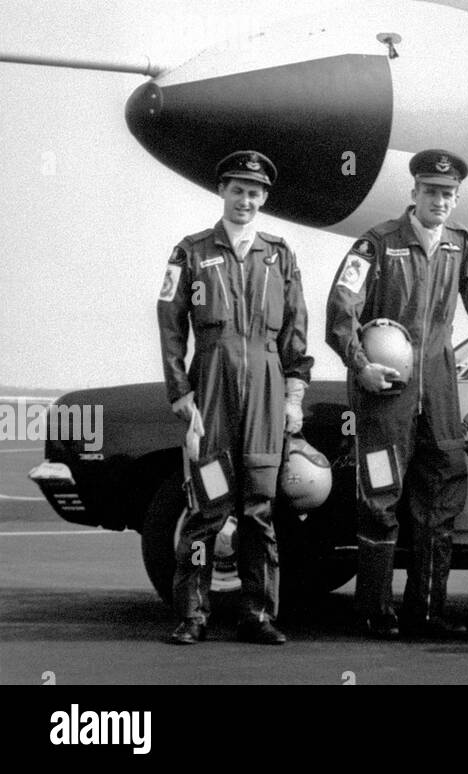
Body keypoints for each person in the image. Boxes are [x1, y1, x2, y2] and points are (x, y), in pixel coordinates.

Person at [325, 149, 468, 640]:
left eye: (448, 194)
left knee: (442, 494)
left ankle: (427, 612)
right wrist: (360, 367)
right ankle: (373, 613)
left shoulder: (460, 246)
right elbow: (341, 311)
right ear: (414, 193)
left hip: (440, 388)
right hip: (387, 392)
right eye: (431, 191)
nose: (440, 201)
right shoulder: (377, 244)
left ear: (456, 199)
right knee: (380, 497)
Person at [157, 150, 313, 646]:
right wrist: (180, 392)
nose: (245, 199)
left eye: (254, 192)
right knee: (206, 508)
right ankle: (192, 615)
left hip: (266, 389)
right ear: (222, 192)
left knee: (259, 510)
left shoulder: (280, 254)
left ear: (264, 197)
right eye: (237, 189)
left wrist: (293, 395)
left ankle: (257, 614)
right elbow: (169, 324)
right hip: (211, 386)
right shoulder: (190, 252)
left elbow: (295, 331)